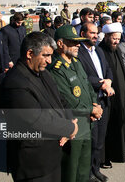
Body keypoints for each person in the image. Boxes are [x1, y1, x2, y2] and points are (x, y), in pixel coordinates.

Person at [2, 32, 78, 182]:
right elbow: (37, 119)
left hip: (52, 156)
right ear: (30, 53)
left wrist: (71, 121)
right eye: (46, 55)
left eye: (51, 55)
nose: (49, 60)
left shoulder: (42, 73)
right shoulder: (15, 83)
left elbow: (60, 100)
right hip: (34, 164)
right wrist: (69, 128)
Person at [48, 25, 102, 182]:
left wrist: (95, 104)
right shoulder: (57, 69)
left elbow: (88, 88)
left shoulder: (76, 63)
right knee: (71, 171)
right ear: (60, 44)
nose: (78, 45)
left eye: (78, 42)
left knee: (84, 170)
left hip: (87, 123)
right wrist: (91, 110)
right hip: (74, 126)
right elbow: (68, 101)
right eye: (73, 42)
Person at [78, 23, 114, 181]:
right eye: (91, 33)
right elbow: (83, 77)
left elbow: (108, 70)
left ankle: (96, 168)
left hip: (103, 99)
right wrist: (102, 83)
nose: (94, 36)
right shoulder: (78, 52)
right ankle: (88, 173)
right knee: (91, 140)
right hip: (91, 101)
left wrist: (109, 82)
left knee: (100, 139)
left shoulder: (98, 50)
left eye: (96, 33)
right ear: (82, 33)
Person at [98, 23, 125, 164]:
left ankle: (123, 149)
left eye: (118, 39)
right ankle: (109, 155)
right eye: (114, 38)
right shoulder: (101, 51)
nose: (116, 41)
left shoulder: (117, 50)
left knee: (122, 121)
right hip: (110, 96)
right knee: (111, 126)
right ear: (106, 36)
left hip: (122, 94)